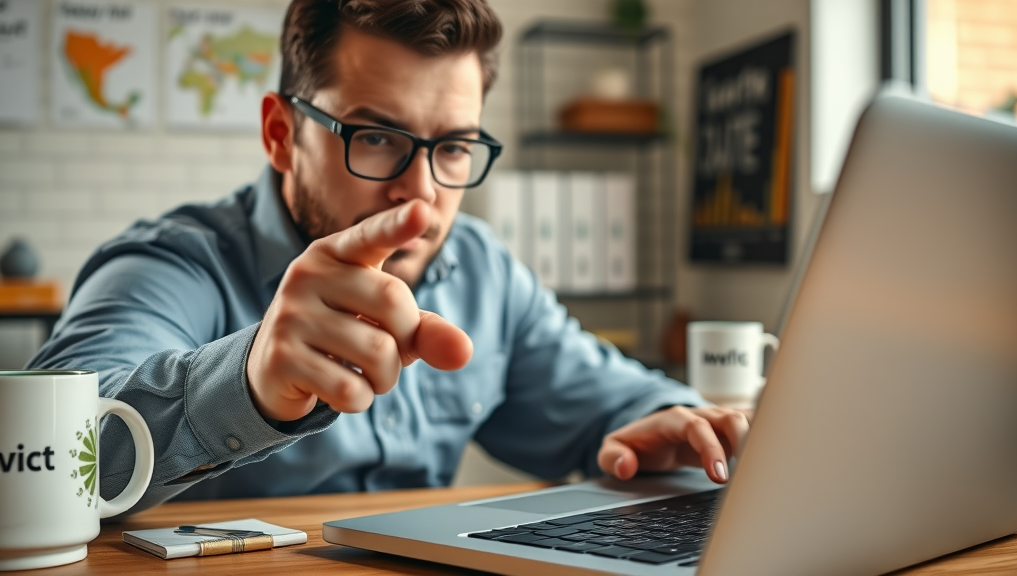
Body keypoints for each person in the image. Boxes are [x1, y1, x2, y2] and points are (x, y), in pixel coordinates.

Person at [29, 0, 749, 515]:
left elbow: (609, 398)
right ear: (282, 135)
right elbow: (41, 462)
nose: (423, 197)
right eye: (375, 137)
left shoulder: (483, 272)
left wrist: (676, 420)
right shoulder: (171, 265)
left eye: (455, 147)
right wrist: (247, 382)